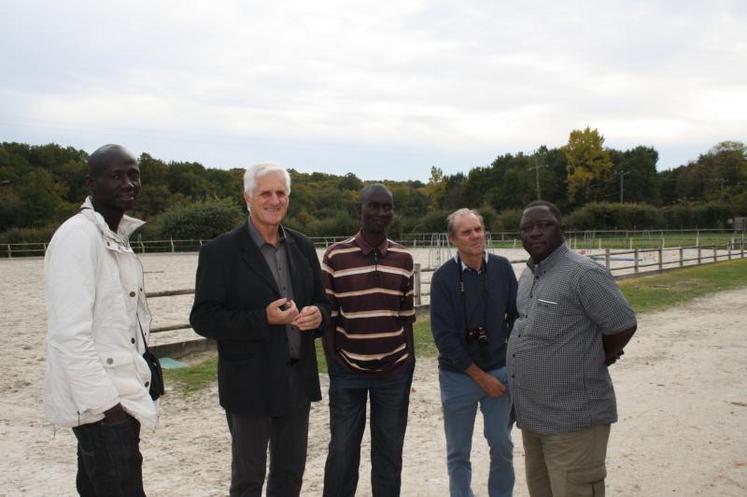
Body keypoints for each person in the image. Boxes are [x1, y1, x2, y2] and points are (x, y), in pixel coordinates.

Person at [189, 162, 329, 497]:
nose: (274, 200)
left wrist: (318, 316)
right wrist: (262, 319)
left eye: (281, 193)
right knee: (249, 479)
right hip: (249, 385)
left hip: (297, 381)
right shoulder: (220, 251)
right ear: (247, 198)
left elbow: (323, 303)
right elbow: (203, 318)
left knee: (289, 475)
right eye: (266, 192)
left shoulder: (303, 246)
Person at [44, 144, 157, 497]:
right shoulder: (78, 237)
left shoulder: (113, 235)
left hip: (118, 395)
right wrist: (108, 408)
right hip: (102, 405)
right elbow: (69, 336)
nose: (128, 183)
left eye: (134, 174)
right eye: (117, 175)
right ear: (91, 183)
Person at [507, 200, 637, 497]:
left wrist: (599, 355)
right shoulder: (530, 274)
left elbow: (623, 325)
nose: (535, 233)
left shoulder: (584, 273)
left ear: (561, 227)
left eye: (544, 225)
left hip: (573, 420)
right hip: (534, 419)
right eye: (527, 228)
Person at [321, 184, 416, 497]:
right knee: (343, 451)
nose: (380, 213)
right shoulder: (336, 256)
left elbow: (407, 317)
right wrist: (334, 362)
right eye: (373, 206)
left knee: (389, 454)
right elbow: (329, 316)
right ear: (358, 210)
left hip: (394, 372)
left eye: (386, 207)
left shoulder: (403, 258)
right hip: (348, 371)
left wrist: (409, 362)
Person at [429, 208, 518, 497]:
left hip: (499, 372)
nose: (475, 236)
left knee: (502, 444)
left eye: (478, 229)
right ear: (453, 239)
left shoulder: (503, 268)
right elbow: (444, 338)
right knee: (458, 452)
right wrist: (481, 378)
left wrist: (510, 364)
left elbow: (517, 318)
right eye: (467, 232)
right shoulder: (443, 278)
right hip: (459, 377)